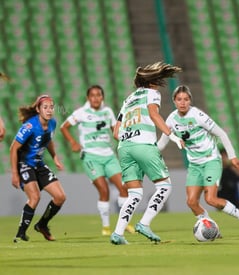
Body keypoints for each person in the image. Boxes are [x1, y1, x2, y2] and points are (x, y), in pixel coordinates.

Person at [157, 85, 239, 238]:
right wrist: (146, 155)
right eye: (179, 99)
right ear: (174, 101)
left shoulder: (198, 115)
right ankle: (212, 228)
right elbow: (161, 144)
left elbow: (221, 133)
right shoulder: (171, 119)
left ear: (190, 101)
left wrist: (232, 156)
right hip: (195, 165)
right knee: (191, 202)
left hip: (211, 161)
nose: (183, 102)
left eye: (186, 99)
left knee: (210, 199)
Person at [110, 62, 183, 245]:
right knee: (165, 187)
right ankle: (144, 223)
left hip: (124, 146)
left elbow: (115, 132)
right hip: (143, 144)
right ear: (152, 81)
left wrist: (130, 138)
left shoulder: (128, 99)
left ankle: (118, 234)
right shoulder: (152, 94)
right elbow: (154, 115)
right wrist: (172, 136)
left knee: (134, 194)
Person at [60, 85, 134, 236]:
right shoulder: (81, 112)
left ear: (102, 97)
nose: (95, 98)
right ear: (88, 98)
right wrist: (73, 142)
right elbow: (64, 127)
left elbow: (115, 131)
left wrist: (126, 142)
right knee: (104, 190)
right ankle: (106, 227)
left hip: (109, 156)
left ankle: (124, 223)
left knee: (123, 187)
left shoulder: (107, 112)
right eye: (92, 95)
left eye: (98, 95)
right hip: (91, 157)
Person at [10, 95, 66, 242]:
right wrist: (15, 174)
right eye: (45, 107)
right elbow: (13, 148)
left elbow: (48, 141)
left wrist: (55, 157)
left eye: (51, 107)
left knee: (60, 197)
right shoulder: (29, 126)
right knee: (35, 197)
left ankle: (42, 225)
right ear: (38, 109)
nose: (49, 110)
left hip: (38, 164)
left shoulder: (52, 123)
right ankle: (20, 234)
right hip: (25, 164)